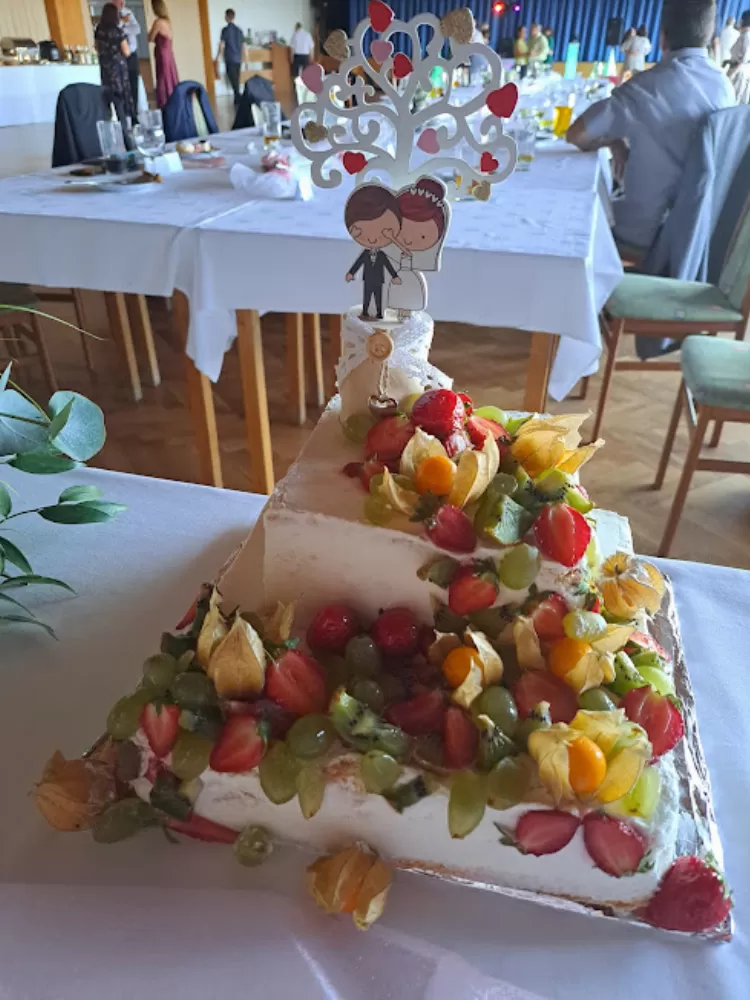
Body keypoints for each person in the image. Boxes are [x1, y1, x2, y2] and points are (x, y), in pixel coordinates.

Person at [567, 0, 735, 254]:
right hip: (700, 238)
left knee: (571, 214)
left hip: (643, 237)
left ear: (662, 37)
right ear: (710, 36)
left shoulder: (643, 88)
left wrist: (613, 142)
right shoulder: (725, 86)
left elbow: (576, 134)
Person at [387, 178, 449, 317]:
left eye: (422, 237)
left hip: (409, 277)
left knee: (409, 296)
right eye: (402, 230)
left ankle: (405, 315)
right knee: (397, 296)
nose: (408, 240)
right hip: (398, 276)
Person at [345, 185, 402, 320]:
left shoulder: (382, 255)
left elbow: (388, 266)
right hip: (367, 279)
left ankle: (379, 313)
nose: (372, 239)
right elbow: (358, 263)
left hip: (379, 280)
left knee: (378, 297)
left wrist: (394, 276)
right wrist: (351, 273)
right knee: (366, 296)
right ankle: (365, 312)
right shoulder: (365, 253)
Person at [95, 2, 135, 127]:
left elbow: (97, 47)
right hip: (118, 68)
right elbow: (126, 51)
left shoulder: (99, 30)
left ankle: (109, 123)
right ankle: (124, 125)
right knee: (120, 98)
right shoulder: (117, 31)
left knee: (107, 96)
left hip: (105, 66)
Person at [113, 0, 140, 121]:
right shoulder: (110, 15)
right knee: (122, 87)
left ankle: (134, 115)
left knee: (134, 83)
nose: (122, 3)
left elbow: (137, 29)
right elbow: (113, 32)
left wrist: (123, 28)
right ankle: (124, 116)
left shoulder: (128, 13)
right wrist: (122, 23)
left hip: (132, 54)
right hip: (119, 56)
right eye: (119, 1)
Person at [149, 0, 179, 109]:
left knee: (162, 77)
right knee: (170, 75)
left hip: (162, 53)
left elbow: (150, 37)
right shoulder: (167, 22)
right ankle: (173, 98)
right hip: (169, 53)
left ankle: (164, 101)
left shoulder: (158, 22)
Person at [216, 8, 245, 107]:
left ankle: (238, 97)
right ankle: (237, 98)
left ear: (226, 17)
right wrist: (245, 59)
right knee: (236, 79)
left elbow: (221, 45)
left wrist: (218, 56)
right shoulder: (239, 30)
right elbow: (243, 46)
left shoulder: (225, 30)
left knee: (233, 79)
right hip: (238, 59)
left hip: (230, 58)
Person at [728, 11, 750, 103]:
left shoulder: (747, 36)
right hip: (737, 69)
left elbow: (744, 59)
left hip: (738, 72)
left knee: (733, 100)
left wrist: (732, 73)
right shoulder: (744, 35)